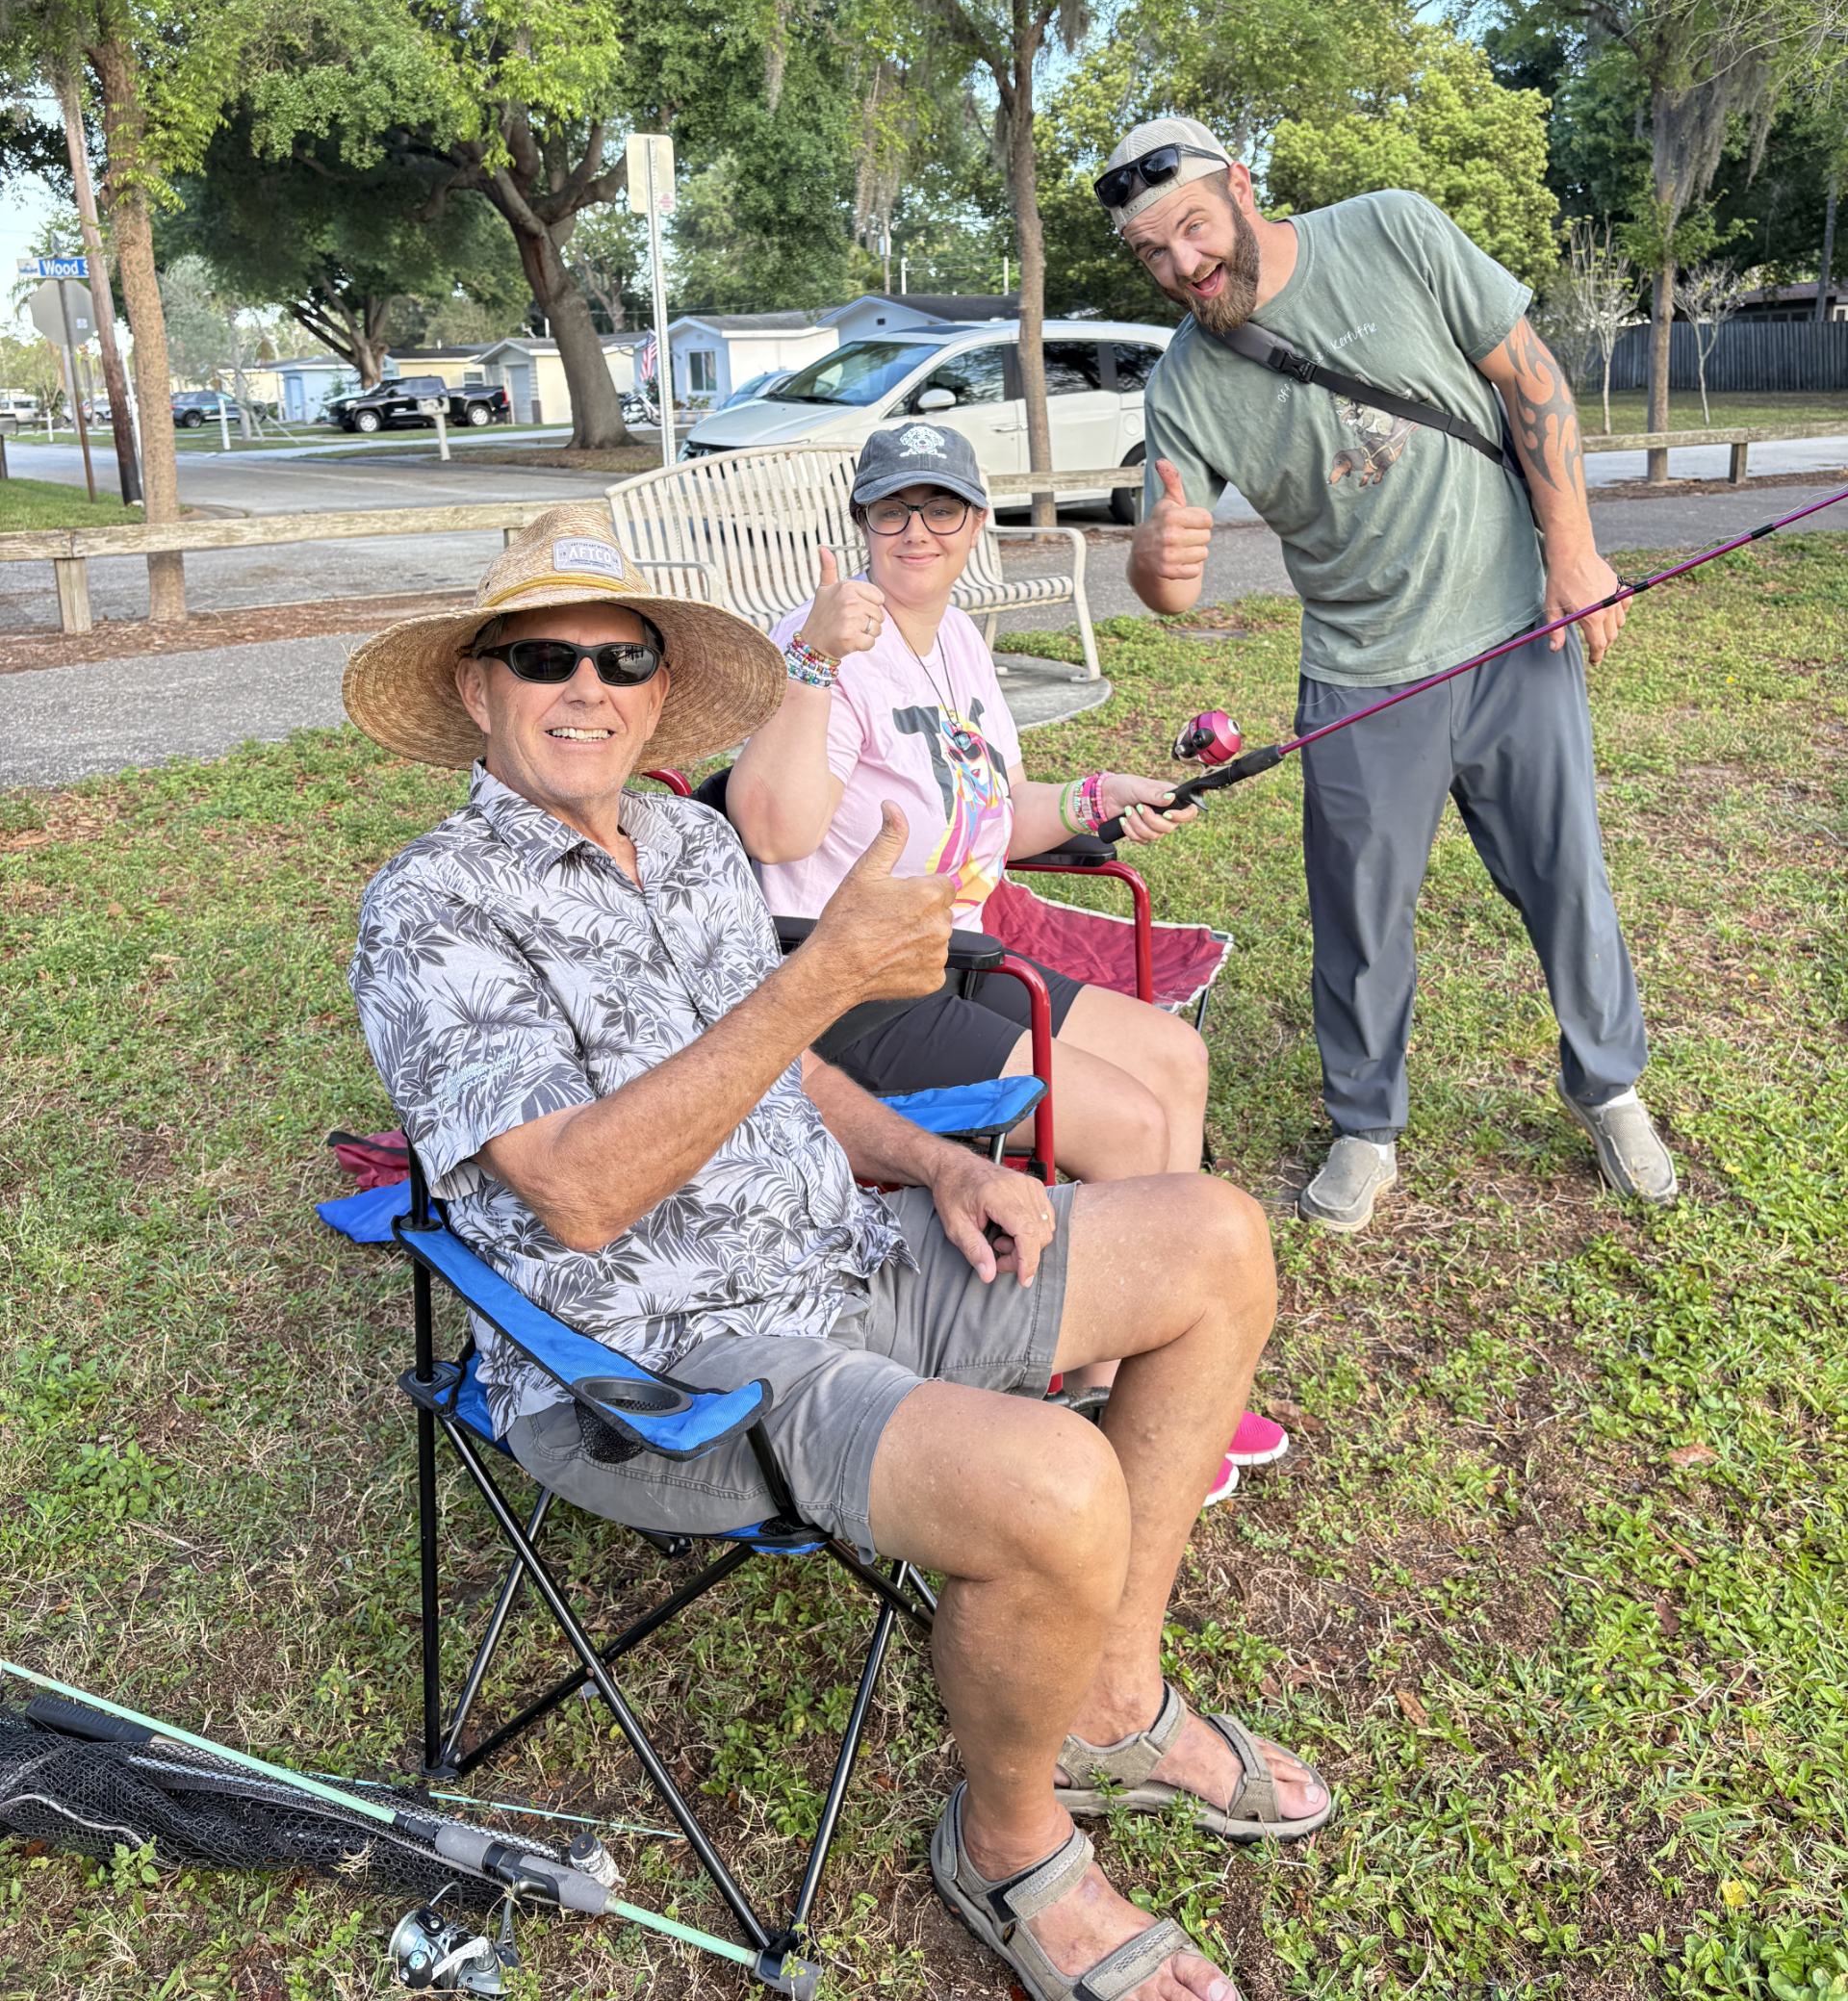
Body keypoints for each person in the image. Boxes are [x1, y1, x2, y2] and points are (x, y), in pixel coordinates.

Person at [344, 503, 1331, 2001]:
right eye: (544, 656)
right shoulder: (429, 910)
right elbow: (578, 1194)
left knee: (1215, 1238)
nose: (588, 688)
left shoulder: (683, 838)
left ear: (663, 694)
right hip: (662, 1366)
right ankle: (1010, 1848)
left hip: (845, 1252)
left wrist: (935, 1162)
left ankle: (1110, 1699)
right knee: (1051, 1480)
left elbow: (794, 1075)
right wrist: (822, 981)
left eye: (624, 658)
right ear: (476, 688)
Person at [1103, 119, 1676, 1231]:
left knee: (1566, 880)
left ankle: (1611, 1088)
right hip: (1362, 676)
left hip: (1514, 630)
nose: (1181, 265)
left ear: (1241, 187)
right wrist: (1152, 559)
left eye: (1191, 228)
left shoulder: (1394, 230)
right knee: (1359, 918)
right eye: (1151, 253)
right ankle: (1366, 1128)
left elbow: (1531, 375)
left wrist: (1573, 548)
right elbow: (1167, 581)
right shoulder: (1183, 385)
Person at [726, 422, 1290, 1500]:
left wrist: (1090, 799)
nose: (916, 530)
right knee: (1122, 1123)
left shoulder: (963, 646)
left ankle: (1124, 1377)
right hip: (842, 981)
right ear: (860, 523)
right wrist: (808, 657)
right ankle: (1117, 1417)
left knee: (1172, 1059)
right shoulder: (819, 645)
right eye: (891, 508)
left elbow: (993, 812)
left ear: (976, 523)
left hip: (953, 951)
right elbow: (770, 826)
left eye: (941, 507)